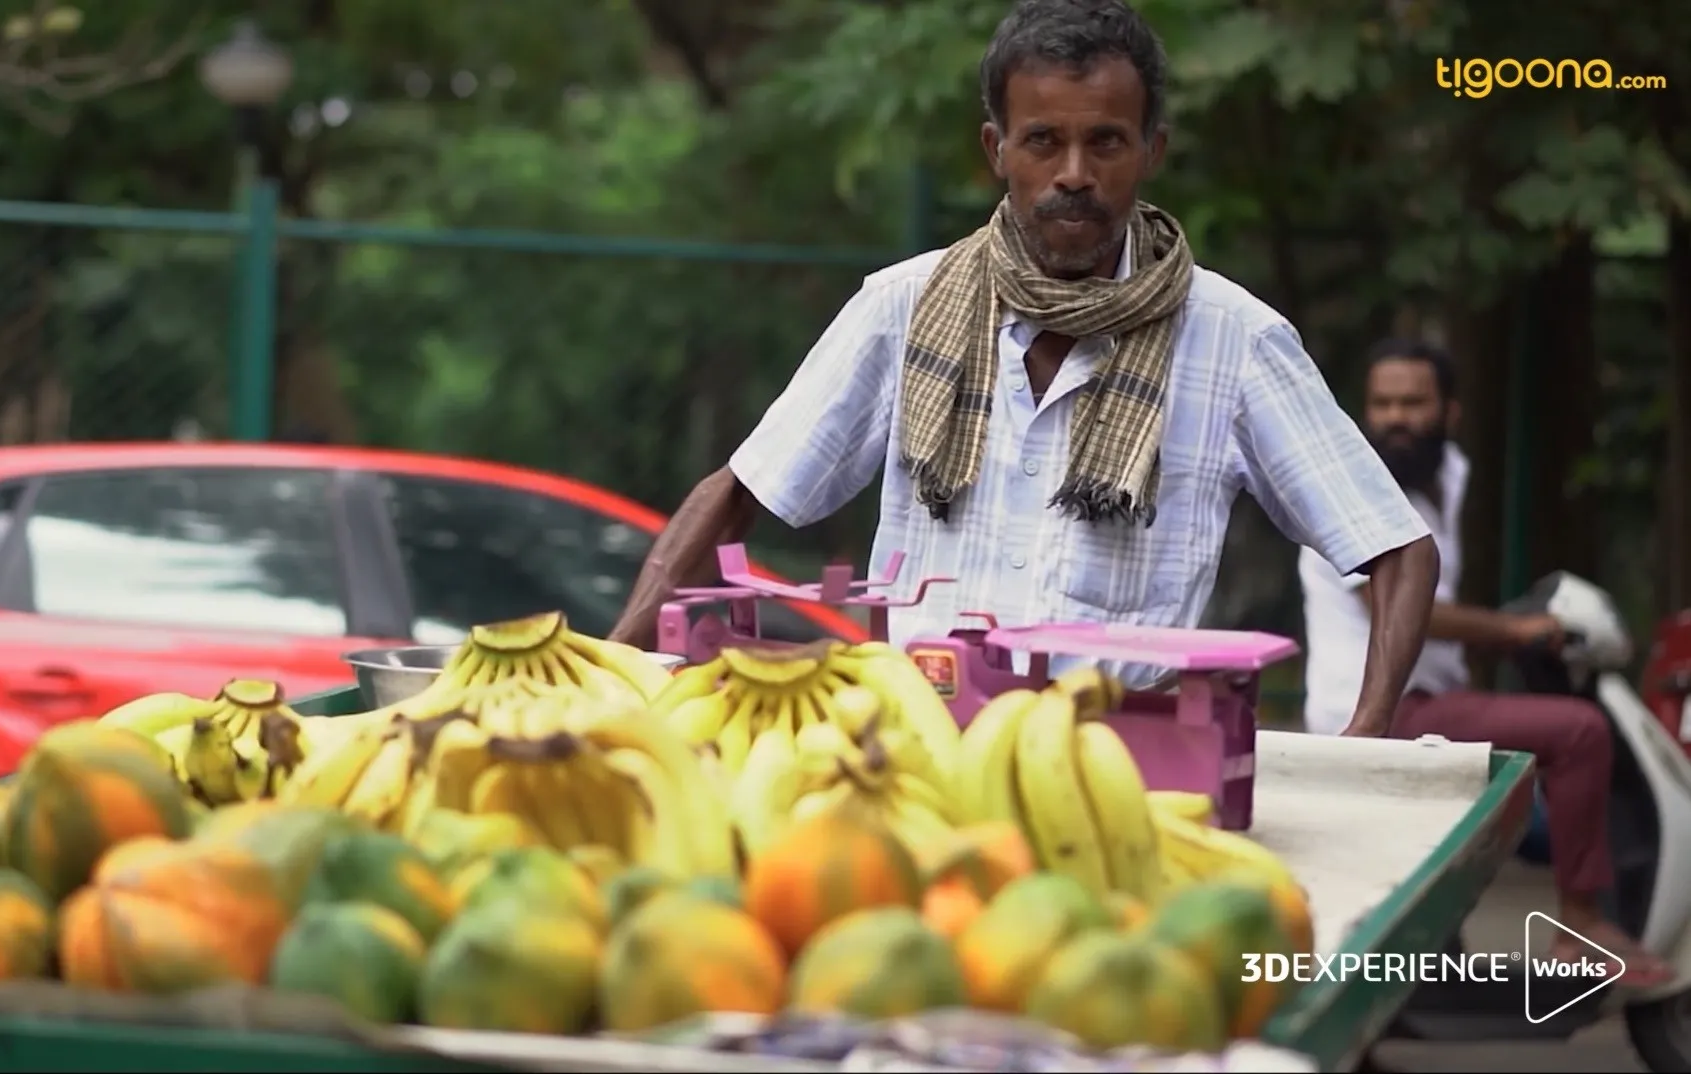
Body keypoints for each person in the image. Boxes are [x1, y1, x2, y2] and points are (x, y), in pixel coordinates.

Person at [607, 0, 1439, 735]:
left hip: (1127, 761)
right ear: (996, 149)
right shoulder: (902, 306)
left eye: (1104, 142)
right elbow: (740, 491)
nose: (1073, 174)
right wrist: (610, 671)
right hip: (914, 747)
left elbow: (1396, 547)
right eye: (1043, 140)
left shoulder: (1233, 339)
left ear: (1151, 150)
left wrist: (1363, 738)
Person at [1298, 337, 1672, 984]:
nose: (1393, 418)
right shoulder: (1352, 490)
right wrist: (1513, 629)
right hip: (1373, 711)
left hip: (1428, 699)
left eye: (1412, 403)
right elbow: (1405, 610)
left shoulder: (1446, 476)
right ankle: (1579, 924)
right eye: (1381, 403)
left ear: (1449, 413)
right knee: (1579, 732)